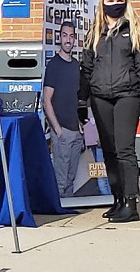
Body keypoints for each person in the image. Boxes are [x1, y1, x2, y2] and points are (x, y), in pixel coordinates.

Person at [80, 0, 140, 223]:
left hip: (127, 95)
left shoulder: (134, 30)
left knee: (125, 150)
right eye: (110, 0)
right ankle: (118, 199)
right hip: (100, 96)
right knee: (108, 151)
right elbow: (86, 68)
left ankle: (131, 203)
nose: (114, 4)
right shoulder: (94, 33)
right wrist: (82, 100)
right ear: (103, 4)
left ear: (125, 3)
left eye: (119, 0)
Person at [43, 20, 85, 198]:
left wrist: (80, 125)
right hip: (62, 131)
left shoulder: (76, 66)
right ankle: (59, 219)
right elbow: (46, 101)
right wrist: (58, 130)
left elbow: (76, 98)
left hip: (76, 131)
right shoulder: (54, 65)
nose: (68, 39)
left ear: (75, 39)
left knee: (71, 180)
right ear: (60, 38)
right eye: (65, 35)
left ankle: (68, 215)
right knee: (60, 182)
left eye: (71, 36)